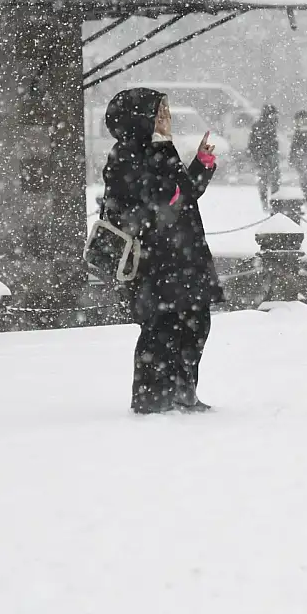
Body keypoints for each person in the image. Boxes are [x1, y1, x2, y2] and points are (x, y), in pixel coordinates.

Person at [102, 87, 223, 414]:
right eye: (160, 112)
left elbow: (183, 193)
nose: (166, 119)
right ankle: (153, 399)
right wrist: (164, 154)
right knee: (162, 330)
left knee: (196, 323)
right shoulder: (126, 155)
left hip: (183, 254)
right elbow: (157, 199)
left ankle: (184, 391)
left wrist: (201, 163)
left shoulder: (159, 149)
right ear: (140, 117)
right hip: (155, 260)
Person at [247, 104, 281, 211]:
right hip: (264, 156)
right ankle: (271, 204)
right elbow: (254, 144)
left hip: (266, 156)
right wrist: (260, 157)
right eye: (273, 114)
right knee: (269, 180)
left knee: (267, 181)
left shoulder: (267, 125)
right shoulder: (263, 126)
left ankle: (271, 203)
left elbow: (252, 144)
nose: (275, 117)